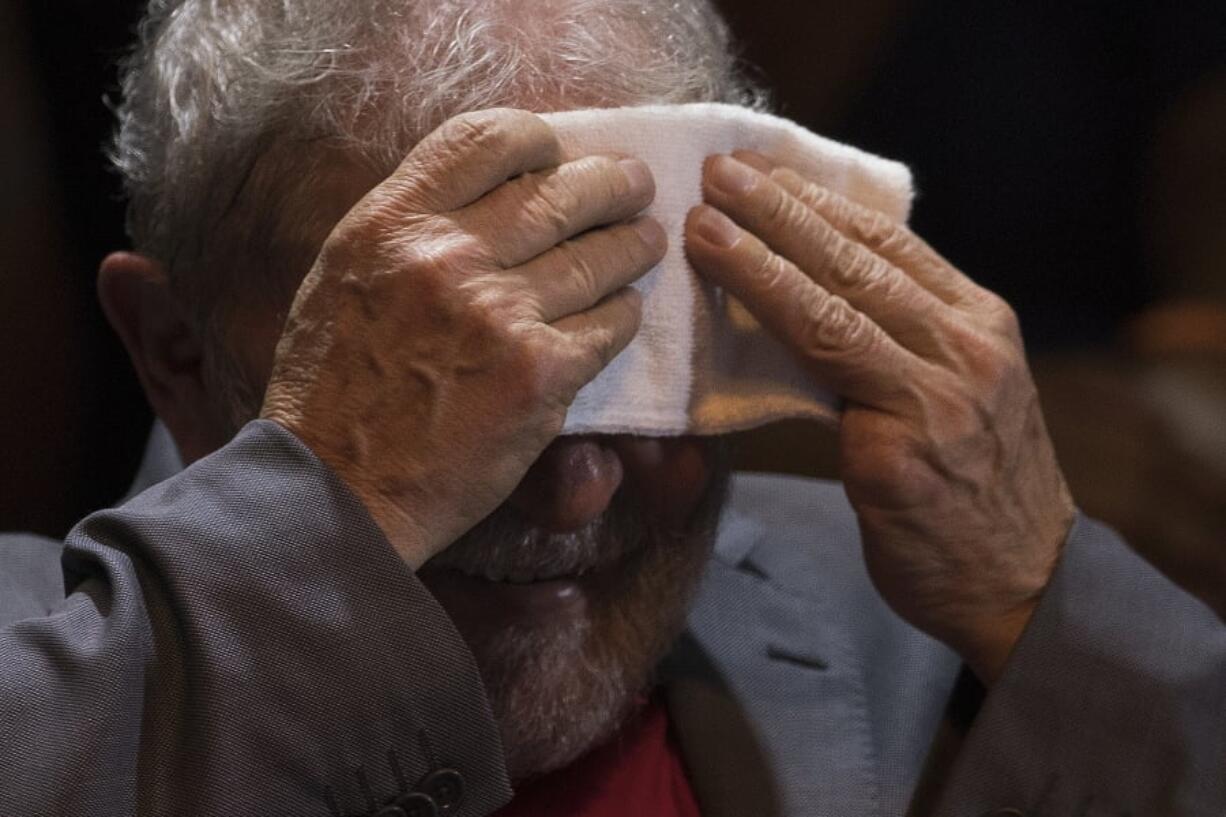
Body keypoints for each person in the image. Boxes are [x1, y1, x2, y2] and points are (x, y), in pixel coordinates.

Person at [1, 1, 1222, 815]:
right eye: (436, 357)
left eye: (643, 340)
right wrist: (336, 517)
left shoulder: (919, 616)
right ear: (173, 348)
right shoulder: (40, 667)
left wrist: (1040, 602)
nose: (574, 484)